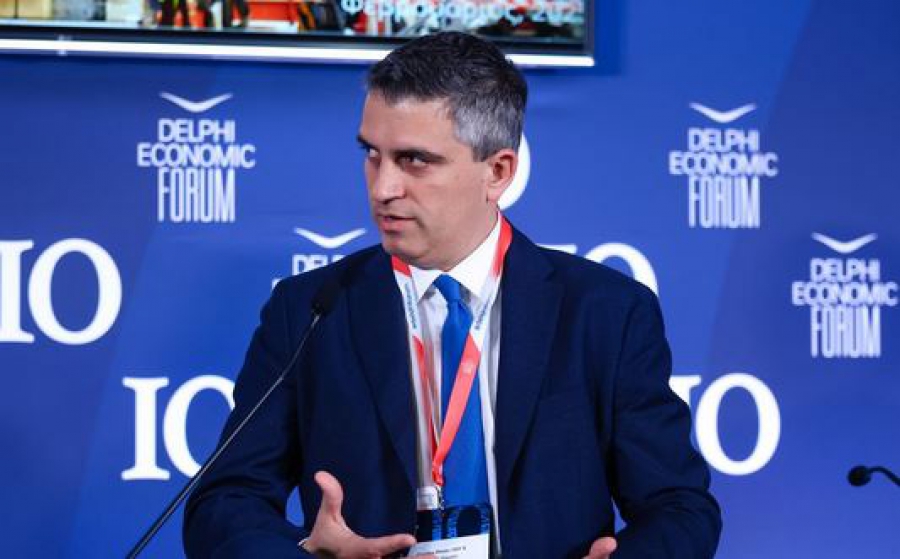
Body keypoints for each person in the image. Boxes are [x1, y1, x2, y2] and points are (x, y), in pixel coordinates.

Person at [183, 31, 721, 558]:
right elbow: (223, 504)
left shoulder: (604, 313)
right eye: (372, 154)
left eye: (414, 160)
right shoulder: (309, 310)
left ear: (498, 172)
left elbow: (680, 507)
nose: (382, 188)